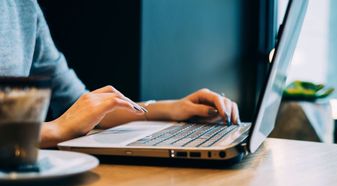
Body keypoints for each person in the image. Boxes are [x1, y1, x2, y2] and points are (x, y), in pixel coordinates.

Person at [0, 0, 240, 148]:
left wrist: (172, 108)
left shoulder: (23, 6)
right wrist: (55, 129)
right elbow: (68, 122)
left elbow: (81, 107)